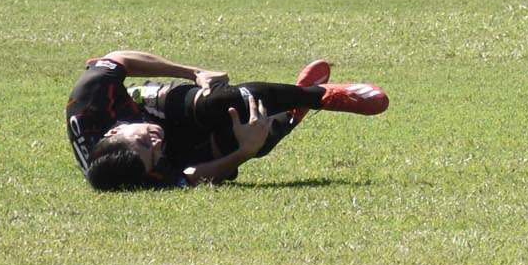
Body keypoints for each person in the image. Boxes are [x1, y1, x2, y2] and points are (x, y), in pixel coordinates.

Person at [63, 47, 388, 189]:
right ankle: (291, 112)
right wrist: (244, 152)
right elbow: (190, 176)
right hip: (176, 148)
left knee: (219, 104)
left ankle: (320, 97)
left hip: (143, 106)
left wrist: (195, 73)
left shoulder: (88, 105)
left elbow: (118, 59)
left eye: (144, 140)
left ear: (110, 136)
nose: (156, 139)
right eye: (154, 151)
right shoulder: (137, 175)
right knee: (247, 136)